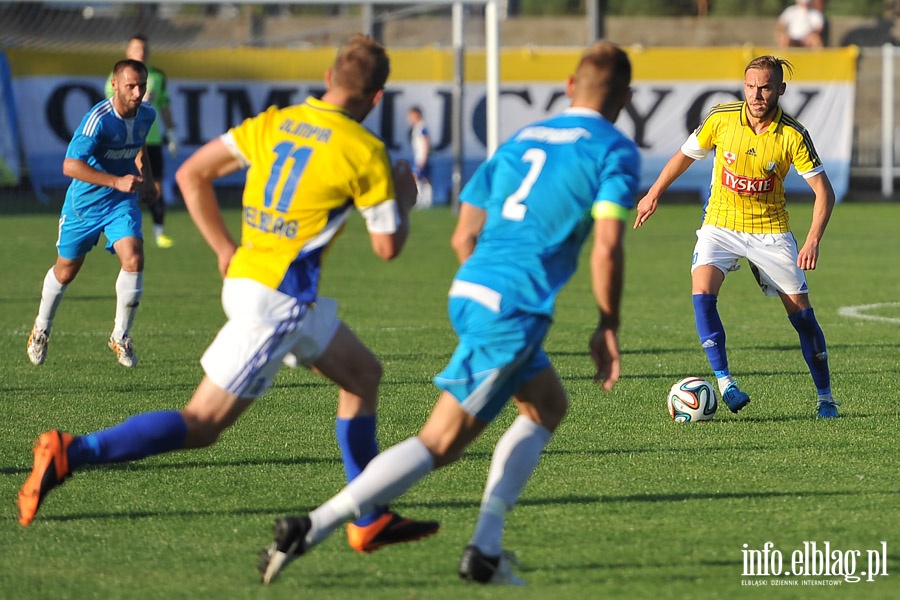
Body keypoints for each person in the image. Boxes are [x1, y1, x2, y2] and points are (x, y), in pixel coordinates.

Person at [18, 34, 439, 555]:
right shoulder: (365, 151)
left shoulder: (275, 121)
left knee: (362, 375)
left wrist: (222, 248)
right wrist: (402, 195)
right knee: (201, 425)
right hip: (278, 302)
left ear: (329, 79)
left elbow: (193, 173)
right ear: (377, 99)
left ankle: (370, 516)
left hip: (251, 280)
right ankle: (72, 453)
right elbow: (388, 247)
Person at [258, 40, 640, 586]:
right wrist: (608, 324)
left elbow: (464, 234)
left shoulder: (521, 139)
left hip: (471, 288)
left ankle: (485, 548)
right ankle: (312, 527)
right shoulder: (614, 151)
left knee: (547, 406)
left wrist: (489, 286)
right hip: (515, 308)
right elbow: (606, 245)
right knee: (439, 443)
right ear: (625, 98)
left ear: (569, 86)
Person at [633, 55, 839, 419]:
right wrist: (654, 193)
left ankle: (825, 398)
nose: (756, 94)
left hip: (770, 230)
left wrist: (812, 240)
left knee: (803, 319)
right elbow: (685, 155)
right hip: (720, 224)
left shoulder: (792, 134)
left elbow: (825, 192)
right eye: (751, 86)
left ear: (780, 90)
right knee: (702, 296)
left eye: (765, 87)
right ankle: (726, 382)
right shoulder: (721, 118)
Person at [26, 59, 156, 369]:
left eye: (141, 86)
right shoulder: (96, 120)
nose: (137, 93)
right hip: (84, 205)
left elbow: (139, 147)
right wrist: (116, 180)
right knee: (66, 270)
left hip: (120, 202)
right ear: (115, 84)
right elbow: (70, 166)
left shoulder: (147, 115)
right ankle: (41, 327)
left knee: (134, 258)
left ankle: (120, 336)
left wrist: (147, 179)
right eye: (131, 86)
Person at [106, 34, 178, 249]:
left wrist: (172, 132)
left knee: (155, 185)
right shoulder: (117, 75)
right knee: (124, 185)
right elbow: (110, 103)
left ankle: (159, 232)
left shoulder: (157, 75)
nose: (141, 52)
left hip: (151, 139)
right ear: (128, 51)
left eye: (144, 48)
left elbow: (164, 104)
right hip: (127, 140)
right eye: (136, 48)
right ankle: (117, 230)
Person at [406, 105, 433, 208]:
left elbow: (426, 141)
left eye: (411, 116)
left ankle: (421, 200)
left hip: (422, 158)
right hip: (421, 157)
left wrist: (424, 157)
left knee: (418, 178)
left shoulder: (421, 127)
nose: (409, 119)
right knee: (424, 179)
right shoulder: (417, 127)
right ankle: (426, 201)